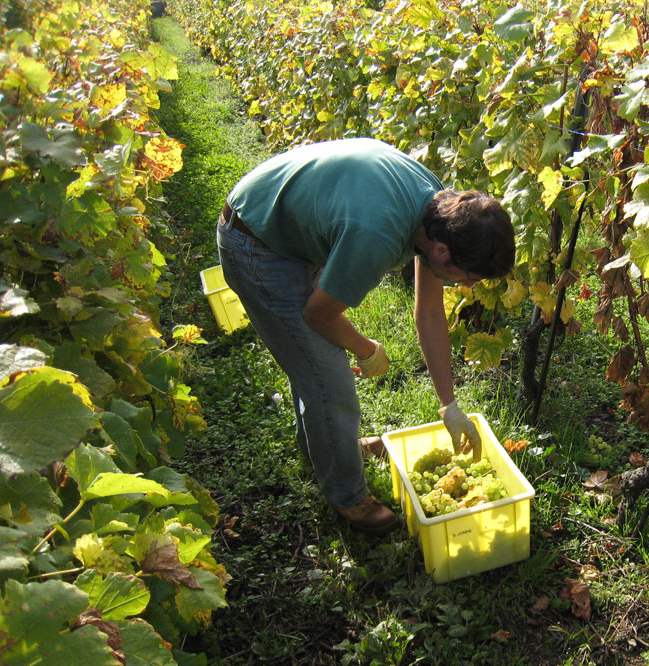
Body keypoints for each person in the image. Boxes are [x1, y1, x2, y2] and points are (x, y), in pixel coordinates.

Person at [216, 138, 515, 536]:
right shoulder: (377, 236)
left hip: (285, 225)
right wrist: (367, 349)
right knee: (329, 376)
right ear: (443, 253)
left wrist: (450, 406)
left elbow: (429, 314)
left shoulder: (440, 213)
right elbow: (318, 314)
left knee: (312, 363)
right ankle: (348, 496)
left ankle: (326, 449)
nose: (468, 285)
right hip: (255, 242)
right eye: (470, 276)